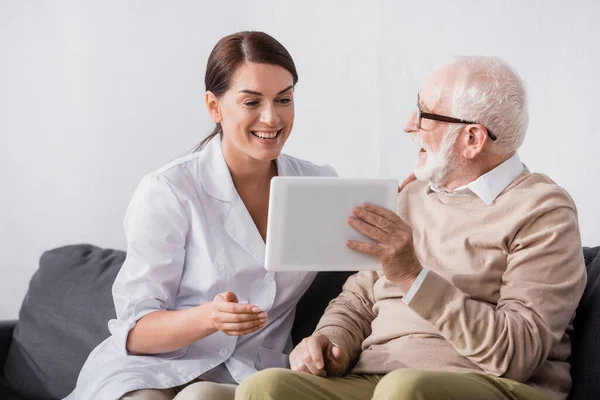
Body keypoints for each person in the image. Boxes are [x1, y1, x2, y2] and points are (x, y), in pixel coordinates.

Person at [236, 56, 587, 400]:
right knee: (263, 388)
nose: (408, 125)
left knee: (402, 389)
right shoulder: (411, 196)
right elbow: (360, 297)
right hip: (376, 379)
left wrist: (412, 277)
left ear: (472, 139)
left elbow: (515, 354)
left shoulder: (543, 210)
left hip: (488, 384)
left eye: (424, 115)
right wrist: (331, 339)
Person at [64, 31, 337, 400]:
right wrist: (209, 318)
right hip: (154, 366)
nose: (271, 117)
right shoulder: (169, 190)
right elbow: (136, 331)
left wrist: (416, 193)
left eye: (283, 99)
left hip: (252, 372)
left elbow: (370, 248)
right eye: (251, 101)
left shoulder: (319, 186)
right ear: (214, 107)